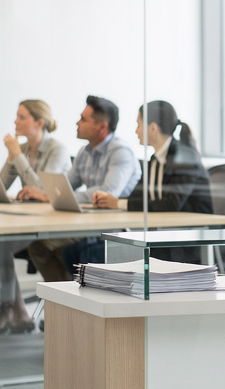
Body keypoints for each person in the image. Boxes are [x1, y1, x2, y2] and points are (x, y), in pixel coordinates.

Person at [61, 101, 214, 269]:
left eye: (139, 124)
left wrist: (117, 203)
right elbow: (138, 195)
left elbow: (172, 203)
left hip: (186, 241)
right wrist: (114, 201)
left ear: (153, 128)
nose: (136, 131)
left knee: (95, 252)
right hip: (164, 235)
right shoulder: (155, 160)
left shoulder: (184, 158)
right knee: (75, 252)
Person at [24, 96, 142, 281]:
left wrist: (55, 196)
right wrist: (48, 194)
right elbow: (66, 185)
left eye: (84, 119)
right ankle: (66, 300)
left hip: (112, 227)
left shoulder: (120, 151)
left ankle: (68, 299)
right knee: (40, 247)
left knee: (44, 247)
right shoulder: (85, 151)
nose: (77, 123)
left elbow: (107, 193)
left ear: (102, 127)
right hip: (88, 223)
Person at [0, 100, 71, 334]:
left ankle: (12, 309)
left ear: (39, 122)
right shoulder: (21, 150)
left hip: (54, 226)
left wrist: (17, 156)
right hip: (30, 223)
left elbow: (45, 190)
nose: (15, 121)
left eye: (22, 117)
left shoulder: (57, 150)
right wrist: (13, 156)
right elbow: (1, 186)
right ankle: (13, 308)